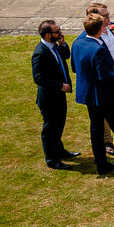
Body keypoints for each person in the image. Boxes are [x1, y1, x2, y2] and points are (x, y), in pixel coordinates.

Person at [72, 11, 114, 176]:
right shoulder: (99, 49)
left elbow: (75, 68)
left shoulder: (77, 43)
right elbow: (105, 77)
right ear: (99, 29)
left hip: (90, 96)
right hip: (106, 96)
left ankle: (101, 164)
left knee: (96, 130)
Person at [33, 20, 78, 169]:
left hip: (59, 96)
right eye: (57, 31)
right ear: (47, 35)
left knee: (59, 125)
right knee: (50, 129)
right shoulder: (40, 53)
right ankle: (52, 159)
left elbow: (65, 56)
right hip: (49, 98)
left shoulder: (54, 46)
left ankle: (60, 151)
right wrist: (60, 85)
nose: (60, 33)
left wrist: (63, 44)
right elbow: (38, 78)